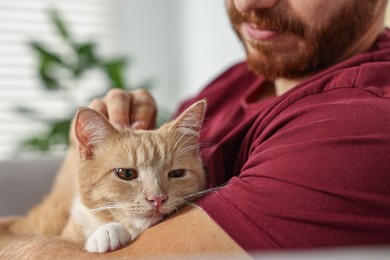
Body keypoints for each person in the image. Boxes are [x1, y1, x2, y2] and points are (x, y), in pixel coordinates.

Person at [1, 0, 390, 258]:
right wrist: (87, 153)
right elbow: (53, 219)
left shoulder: (357, 126)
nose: (246, 3)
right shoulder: (245, 75)